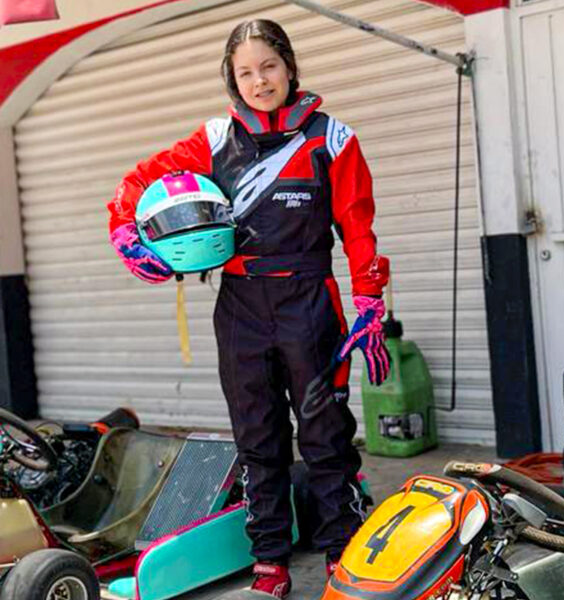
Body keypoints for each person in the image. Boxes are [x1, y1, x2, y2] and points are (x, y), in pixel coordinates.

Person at [107, 19, 390, 598]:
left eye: (269, 67)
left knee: (325, 434)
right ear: (232, 80)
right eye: (245, 72)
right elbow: (137, 183)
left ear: (289, 67)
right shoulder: (213, 139)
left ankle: (341, 553)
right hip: (240, 307)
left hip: (312, 303)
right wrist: (126, 237)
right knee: (256, 438)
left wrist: (368, 298)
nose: (259, 81)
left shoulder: (333, 138)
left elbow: (358, 226)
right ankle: (271, 562)